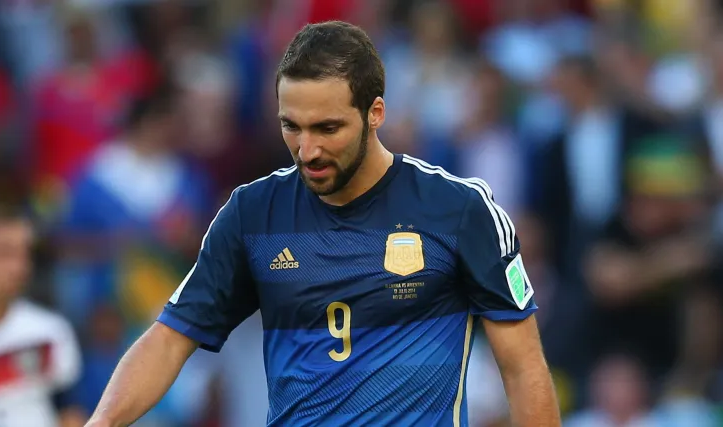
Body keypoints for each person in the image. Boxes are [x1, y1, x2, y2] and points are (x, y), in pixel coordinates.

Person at [86, 21, 560, 427]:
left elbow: (522, 367)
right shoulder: (253, 214)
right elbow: (170, 340)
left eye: (327, 128)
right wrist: (102, 422)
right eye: (291, 126)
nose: (307, 149)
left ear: (375, 113)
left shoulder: (459, 210)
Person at [0, 203, 85, 427]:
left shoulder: (50, 332)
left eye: (25, 253)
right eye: (5, 253)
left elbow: (70, 414)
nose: (19, 267)